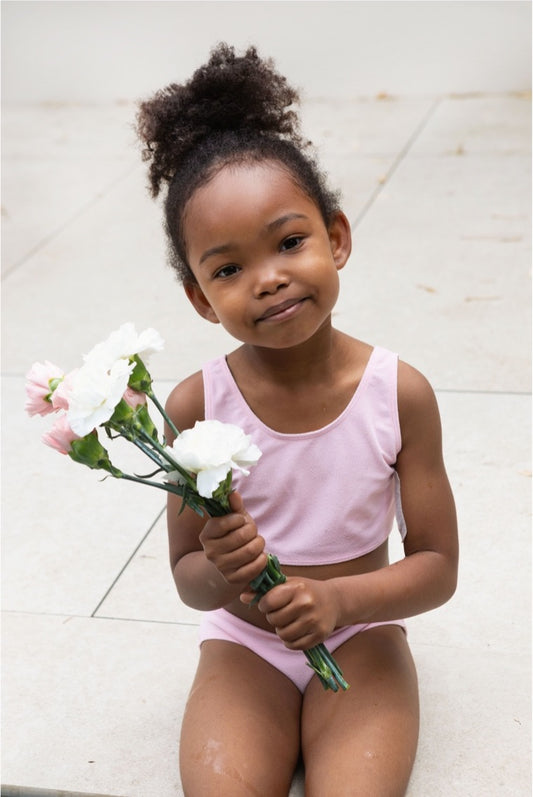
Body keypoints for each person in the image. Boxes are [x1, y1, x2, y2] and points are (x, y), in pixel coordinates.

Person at [136, 43, 458, 797]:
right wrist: (222, 567)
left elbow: (437, 564)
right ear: (199, 299)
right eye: (227, 268)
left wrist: (340, 601)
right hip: (244, 643)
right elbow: (188, 579)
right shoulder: (192, 407)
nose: (269, 276)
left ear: (336, 238)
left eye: (289, 242)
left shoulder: (398, 392)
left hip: (363, 633)